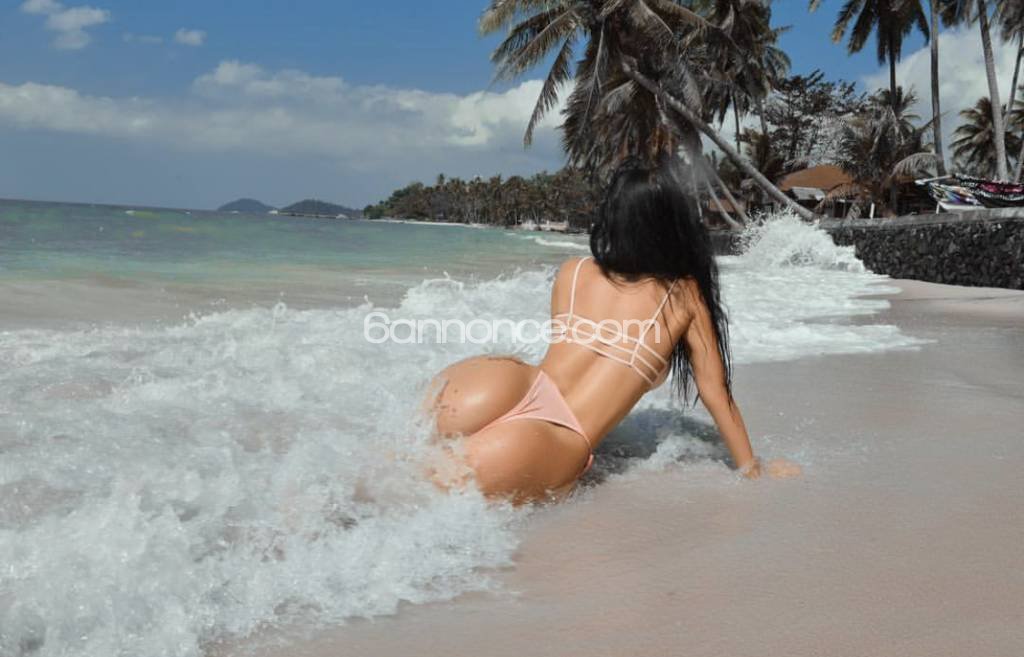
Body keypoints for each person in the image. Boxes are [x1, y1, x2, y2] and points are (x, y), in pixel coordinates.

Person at [423, 158, 800, 504]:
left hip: (504, 382)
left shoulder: (572, 272)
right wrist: (753, 468)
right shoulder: (684, 295)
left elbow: (573, 352)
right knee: (433, 503)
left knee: (402, 473)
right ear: (673, 224)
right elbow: (715, 394)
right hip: (560, 435)